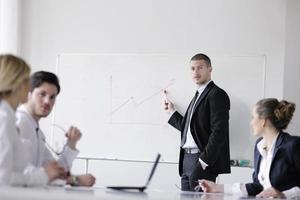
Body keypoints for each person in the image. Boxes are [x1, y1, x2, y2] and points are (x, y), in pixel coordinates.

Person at [198, 98, 300, 199]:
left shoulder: (293, 145)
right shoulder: (259, 146)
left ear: (263, 121)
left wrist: (284, 195)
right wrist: (217, 188)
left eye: (253, 117)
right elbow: (257, 186)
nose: (251, 123)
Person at [16, 71, 95, 187]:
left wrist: (71, 144)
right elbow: (18, 174)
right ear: (29, 93)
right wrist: (74, 180)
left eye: (52, 97)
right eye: (42, 94)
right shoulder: (18, 122)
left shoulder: (37, 131)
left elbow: (57, 171)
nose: (48, 101)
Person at [164, 53, 231, 191]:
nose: (196, 72)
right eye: (193, 68)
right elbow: (190, 128)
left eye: (200, 67)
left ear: (209, 69)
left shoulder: (216, 94)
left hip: (201, 160)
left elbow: (219, 132)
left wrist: (203, 161)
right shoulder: (197, 95)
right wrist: (171, 112)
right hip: (186, 160)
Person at [0, 54, 66, 186]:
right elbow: (2, 179)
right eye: (26, 80)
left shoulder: (10, 119)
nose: (29, 85)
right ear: (15, 83)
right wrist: (42, 175)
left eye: (52, 97)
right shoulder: (5, 119)